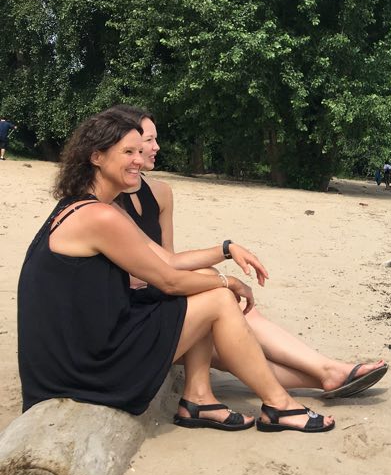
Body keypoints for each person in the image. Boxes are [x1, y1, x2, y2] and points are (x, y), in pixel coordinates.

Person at [17, 108, 335, 432]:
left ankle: (201, 399)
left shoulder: (82, 206)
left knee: (206, 292)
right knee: (218, 299)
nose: (138, 161)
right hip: (84, 369)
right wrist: (228, 282)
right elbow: (168, 280)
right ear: (96, 156)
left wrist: (221, 267)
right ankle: (279, 405)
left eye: (139, 152)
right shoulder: (100, 217)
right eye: (128, 152)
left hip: (70, 360)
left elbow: (165, 265)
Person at [111, 105, 387, 398]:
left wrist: (226, 249)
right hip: (136, 306)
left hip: (158, 290)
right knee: (223, 322)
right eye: (148, 140)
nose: (156, 147)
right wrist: (222, 270)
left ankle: (326, 372)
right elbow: (160, 268)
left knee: (226, 309)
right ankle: (324, 374)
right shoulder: (108, 203)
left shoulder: (160, 192)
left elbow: (170, 258)